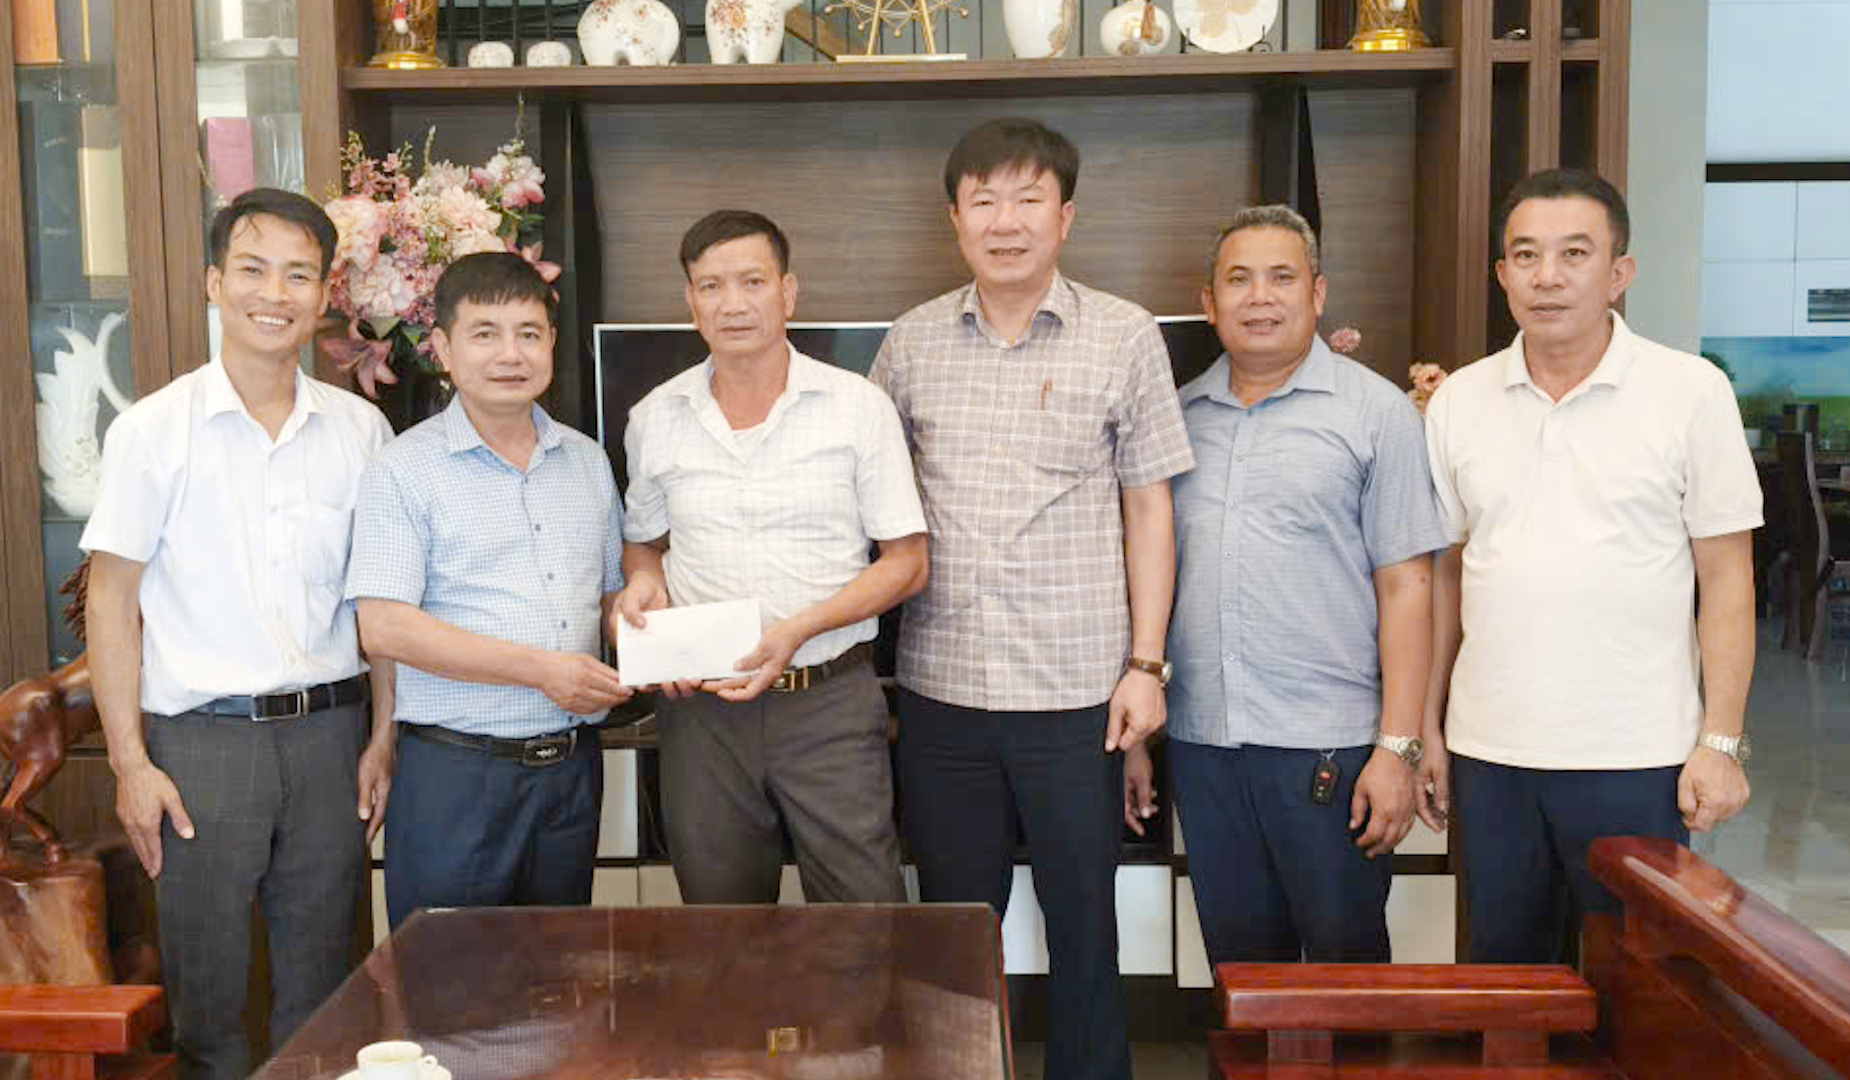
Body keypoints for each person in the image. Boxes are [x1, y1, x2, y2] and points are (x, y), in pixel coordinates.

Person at [869, 118, 1194, 1080]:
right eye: (984, 201)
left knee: (1086, 929)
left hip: (1078, 698)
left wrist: (1145, 667)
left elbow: (1150, 509)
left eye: (1027, 199)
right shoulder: (911, 341)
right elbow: (868, 501)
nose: (1005, 222)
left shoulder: (1125, 335)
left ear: (1065, 216)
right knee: (952, 938)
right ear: (955, 219)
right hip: (942, 695)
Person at [83, 188, 396, 1080]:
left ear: (325, 294)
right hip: (201, 747)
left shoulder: (361, 430)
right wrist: (129, 763)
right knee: (209, 1003)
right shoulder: (153, 431)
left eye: (299, 275)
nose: (275, 293)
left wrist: (383, 734)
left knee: (328, 998)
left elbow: (379, 605)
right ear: (215, 282)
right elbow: (111, 600)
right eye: (253, 270)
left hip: (332, 738)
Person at [1420, 168, 1761, 963]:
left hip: (1637, 755)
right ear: (1502, 274)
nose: (1547, 276)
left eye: (1574, 253)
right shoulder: (1460, 401)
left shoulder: (1691, 392)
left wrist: (1722, 741)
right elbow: (1446, 574)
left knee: (1637, 978)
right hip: (1490, 753)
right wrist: (1428, 728)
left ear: (1619, 272)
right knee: (1506, 979)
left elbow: (1728, 577)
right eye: (1526, 255)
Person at [1125, 205, 1444, 965]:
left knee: (1345, 970)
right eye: (1239, 280)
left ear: (1318, 293)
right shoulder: (1176, 419)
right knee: (1239, 972)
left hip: (1330, 748)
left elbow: (1409, 587)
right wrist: (1140, 739)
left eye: (1281, 277)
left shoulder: (1377, 415)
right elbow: (1144, 574)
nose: (1260, 297)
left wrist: (1397, 748)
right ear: (1209, 303)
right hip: (1205, 744)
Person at [615, 210, 927, 904]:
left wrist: (798, 629)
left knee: (864, 918)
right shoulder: (655, 417)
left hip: (828, 702)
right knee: (721, 924)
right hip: (703, 715)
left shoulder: (857, 407)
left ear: (787, 292)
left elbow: (907, 562)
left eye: (752, 282)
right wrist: (642, 584)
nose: (733, 303)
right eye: (712, 286)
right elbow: (645, 544)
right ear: (691, 302)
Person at [345, 252, 630, 928]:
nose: (510, 354)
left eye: (529, 333)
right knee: (450, 977)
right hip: (457, 776)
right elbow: (384, 627)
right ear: (444, 348)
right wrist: (542, 671)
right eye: (485, 333)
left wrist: (644, 617)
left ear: (551, 342)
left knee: (558, 973)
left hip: (570, 775)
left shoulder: (587, 461)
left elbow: (607, 600)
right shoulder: (402, 470)